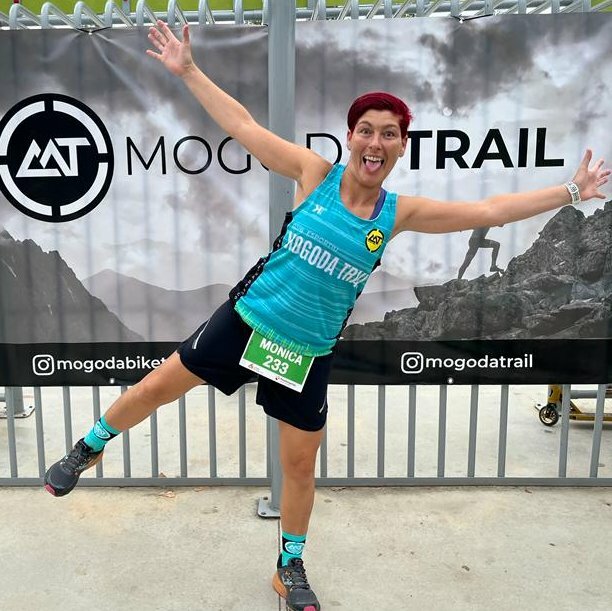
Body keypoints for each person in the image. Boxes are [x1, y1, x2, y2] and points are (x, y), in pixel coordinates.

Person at [44, 20, 610, 611]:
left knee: (299, 466)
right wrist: (188, 71)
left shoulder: (398, 213)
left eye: (388, 134)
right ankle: (89, 446)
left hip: (306, 352)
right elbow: (244, 127)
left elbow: (489, 209)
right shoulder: (314, 174)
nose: (375, 142)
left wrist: (570, 192)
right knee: (156, 387)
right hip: (248, 319)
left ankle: (288, 565)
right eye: (366, 130)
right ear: (351, 137)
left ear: (400, 146)